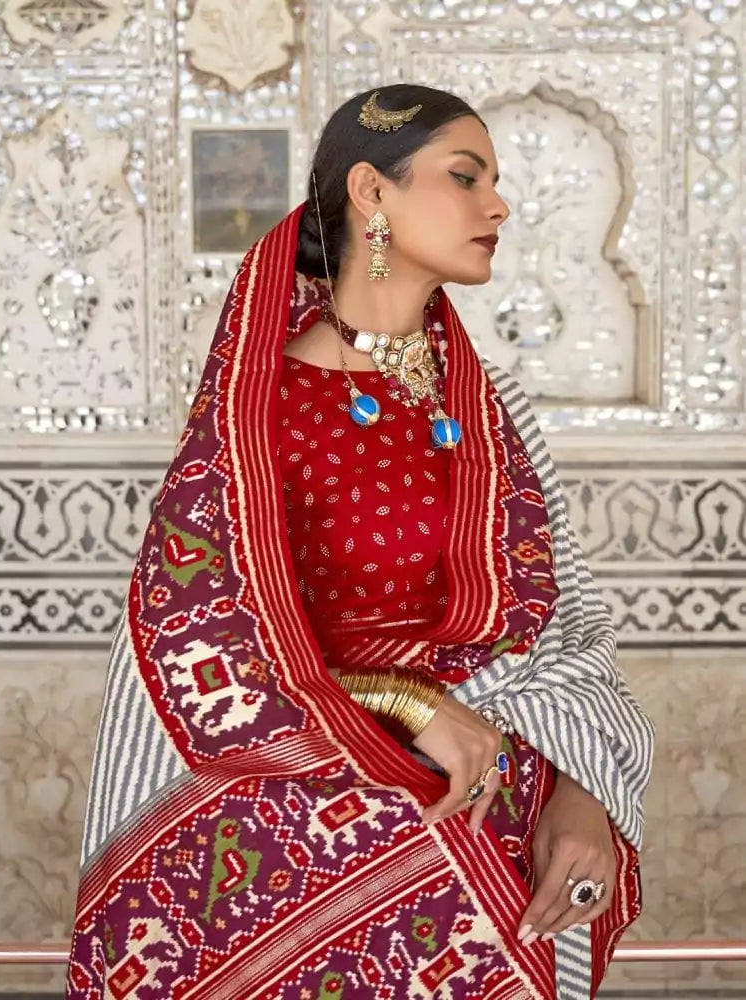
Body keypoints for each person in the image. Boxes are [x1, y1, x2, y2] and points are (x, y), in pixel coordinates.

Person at [66, 85, 654, 1000]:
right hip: (283, 851)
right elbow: (194, 643)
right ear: (372, 193)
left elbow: (569, 630)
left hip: (495, 849)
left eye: (495, 182)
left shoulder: (491, 410)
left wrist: (584, 796)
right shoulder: (256, 406)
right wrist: (409, 705)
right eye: (465, 177)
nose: (497, 205)